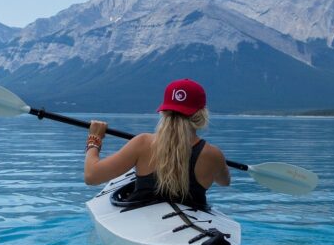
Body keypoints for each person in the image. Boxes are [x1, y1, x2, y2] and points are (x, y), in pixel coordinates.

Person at [83, 79, 230, 208]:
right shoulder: (213, 155)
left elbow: (91, 176)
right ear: (201, 114)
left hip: (141, 218)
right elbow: (225, 182)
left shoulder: (143, 143)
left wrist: (94, 139)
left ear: (164, 111)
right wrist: (218, 164)